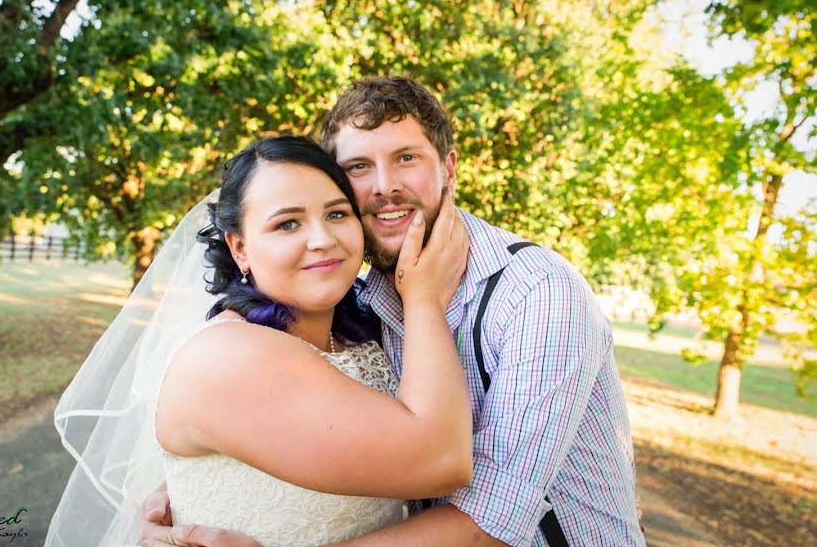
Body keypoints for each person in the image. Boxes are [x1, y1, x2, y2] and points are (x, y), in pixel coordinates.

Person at [140, 76, 646, 546]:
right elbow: (296, 421)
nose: (383, 186)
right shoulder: (360, 300)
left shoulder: (537, 293)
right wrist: (201, 487)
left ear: (448, 168)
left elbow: (491, 519)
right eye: (359, 167)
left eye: (406, 158)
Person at [45, 136, 472, 547]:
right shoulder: (228, 356)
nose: (323, 239)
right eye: (288, 223)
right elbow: (442, 460)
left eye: (338, 214)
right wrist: (423, 298)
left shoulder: (356, 332)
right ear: (240, 248)